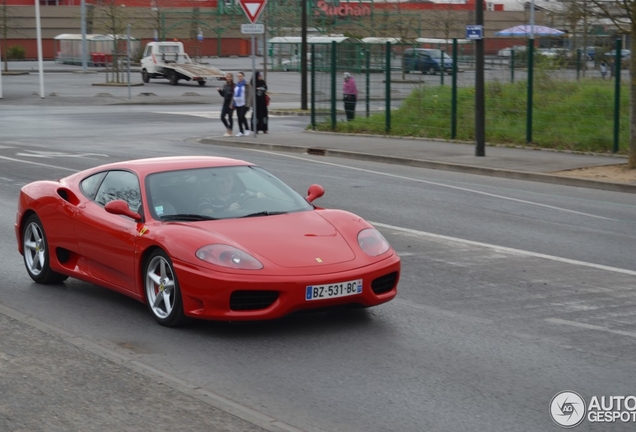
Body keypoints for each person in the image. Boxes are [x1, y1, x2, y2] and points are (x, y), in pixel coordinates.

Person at [198, 171, 264, 215]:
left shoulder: (237, 196)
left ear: (233, 183)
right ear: (215, 183)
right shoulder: (205, 199)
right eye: (221, 181)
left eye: (229, 180)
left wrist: (257, 196)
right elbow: (209, 218)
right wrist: (227, 211)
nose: (225, 184)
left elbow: (250, 198)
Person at [233, 71, 252, 137]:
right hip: (237, 103)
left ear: (243, 77)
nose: (240, 77)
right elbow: (234, 94)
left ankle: (247, 129)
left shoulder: (247, 84)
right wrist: (233, 102)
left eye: (241, 76)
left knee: (242, 116)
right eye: (238, 76)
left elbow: (249, 95)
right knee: (239, 117)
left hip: (244, 103)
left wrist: (248, 103)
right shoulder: (237, 84)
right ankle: (240, 131)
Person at [217, 72, 235, 137]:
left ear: (232, 78)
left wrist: (232, 104)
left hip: (231, 103)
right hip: (225, 102)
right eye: (227, 77)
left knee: (230, 117)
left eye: (230, 77)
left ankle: (230, 131)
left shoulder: (234, 86)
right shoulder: (225, 85)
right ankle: (228, 128)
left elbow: (234, 96)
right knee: (222, 117)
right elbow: (223, 95)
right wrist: (219, 91)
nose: (228, 78)